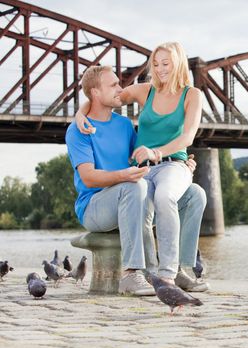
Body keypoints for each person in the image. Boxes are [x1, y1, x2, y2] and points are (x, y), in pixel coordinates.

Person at [66, 65, 206, 295]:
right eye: (113, 85)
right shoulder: (78, 130)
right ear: (95, 93)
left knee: (194, 194)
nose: (120, 89)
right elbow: (89, 178)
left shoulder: (123, 124)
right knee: (134, 187)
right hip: (93, 207)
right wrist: (124, 176)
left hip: (131, 195)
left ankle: (176, 270)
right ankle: (131, 274)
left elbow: (142, 159)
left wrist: (182, 164)